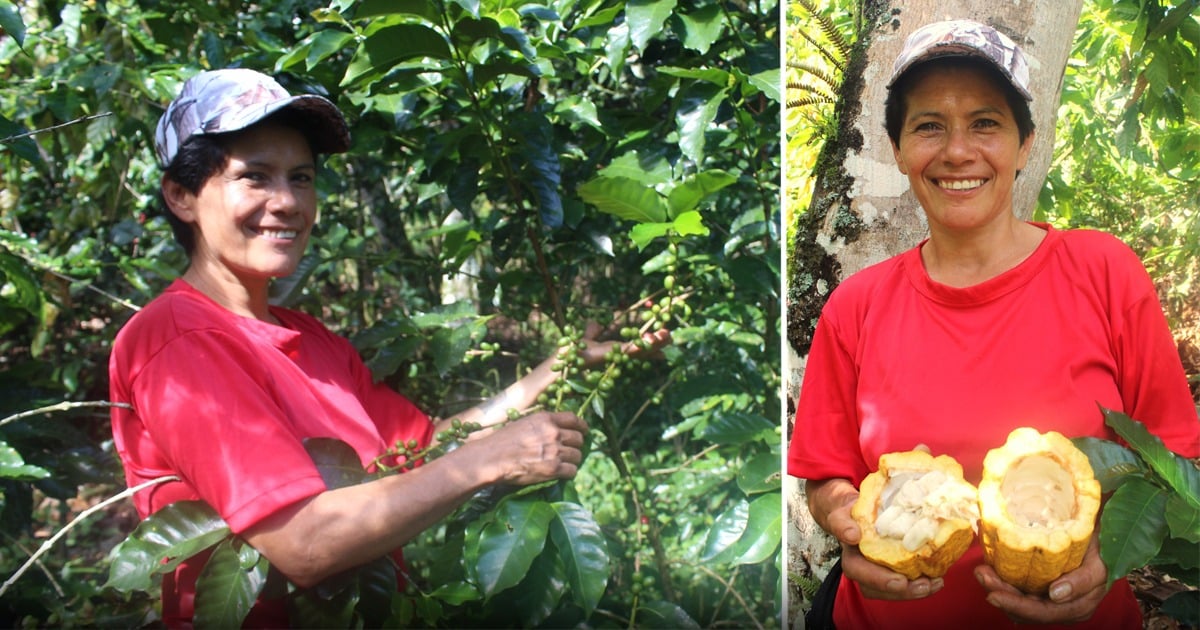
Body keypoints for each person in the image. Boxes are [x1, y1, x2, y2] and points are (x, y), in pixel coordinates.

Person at [108, 68, 669, 627]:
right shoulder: (180, 340)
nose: (286, 202)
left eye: (301, 178)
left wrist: (554, 369)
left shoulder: (311, 338)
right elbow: (305, 542)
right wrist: (492, 459)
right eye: (255, 177)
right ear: (182, 196)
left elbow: (423, 454)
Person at [788, 19, 1200, 629]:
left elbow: (1174, 458)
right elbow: (826, 474)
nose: (958, 151)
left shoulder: (1104, 272)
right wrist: (846, 516)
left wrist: (1107, 560)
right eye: (929, 125)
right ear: (898, 149)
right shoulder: (856, 305)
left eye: (986, 122)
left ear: (1024, 143)